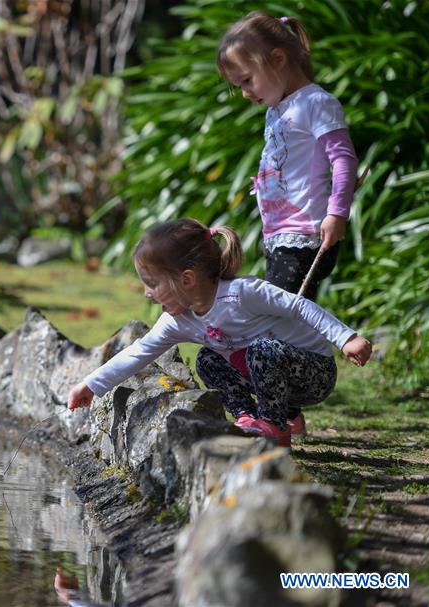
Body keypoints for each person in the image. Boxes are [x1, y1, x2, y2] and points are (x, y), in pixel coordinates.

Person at [67, 219, 372, 447]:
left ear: (187, 279)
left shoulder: (242, 295)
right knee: (207, 360)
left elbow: (299, 307)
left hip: (312, 374)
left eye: (153, 283)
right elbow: (140, 351)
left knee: (261, 350)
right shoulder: (178, 320)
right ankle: (249, 418)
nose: (148, 294)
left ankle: (275, 427)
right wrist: (91, 385)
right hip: (268, 379)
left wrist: (346, 338)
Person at [217, 11, 359, 301]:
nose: (244, 93)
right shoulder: (276, 109)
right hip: (280, 236)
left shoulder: (316, 103)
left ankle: (314, 347)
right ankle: (311, 348)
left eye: (246, 80)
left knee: (285, 318)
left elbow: (343, 159)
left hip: (305, 235)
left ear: (278, 60)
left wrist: (337, 214)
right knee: (290, 317)